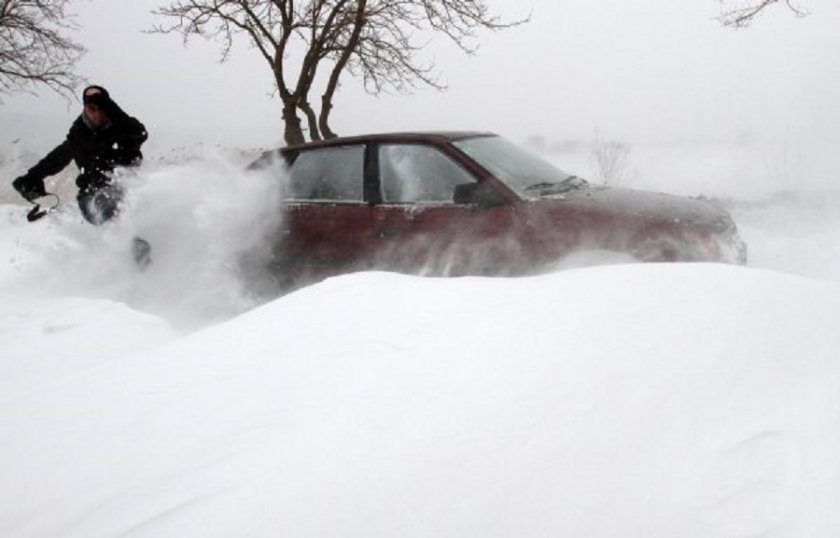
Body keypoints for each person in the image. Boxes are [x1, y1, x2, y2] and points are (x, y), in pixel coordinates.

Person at [11, 85, 152, 264]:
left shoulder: (123, 129)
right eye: (91, 109)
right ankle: (131, 247)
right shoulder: (80, 135)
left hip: (125, 191)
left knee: (122, 205)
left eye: (102, 108)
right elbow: (57, 157)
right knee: (105, 204)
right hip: (91, 196)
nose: (97, 114)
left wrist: (113, 113)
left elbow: (139, 133)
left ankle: (137, 257)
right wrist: (33, 177)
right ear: (85, 109)